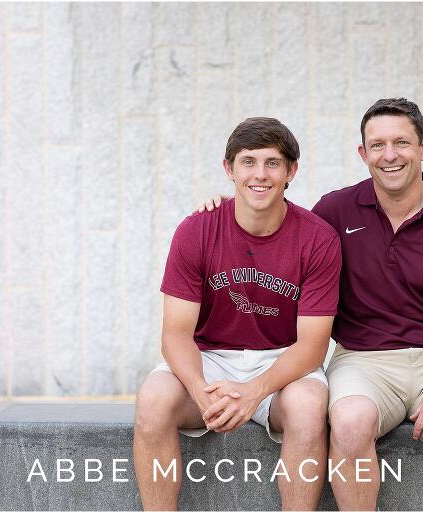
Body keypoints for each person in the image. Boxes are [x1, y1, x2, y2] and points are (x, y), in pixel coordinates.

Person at [200, 99, 423, 511]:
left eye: (401, 143)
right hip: (362, 361)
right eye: (377, 145)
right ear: (363, 154)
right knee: (351, 420)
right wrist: (227, 205)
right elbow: (275, 222)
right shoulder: (335, 212)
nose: (389, 155)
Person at [133, 117, 342, 510]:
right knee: (154, 398)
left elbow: (312, 347)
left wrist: (254, 392)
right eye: (248, 162)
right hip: (209, 360)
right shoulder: (196, 231)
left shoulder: (318, 238)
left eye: (272, 163)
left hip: (282, 361)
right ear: (229, 169)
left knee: (308, 407)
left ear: (290, 171)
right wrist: (200, 389)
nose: (259, 174)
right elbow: (175, 334)